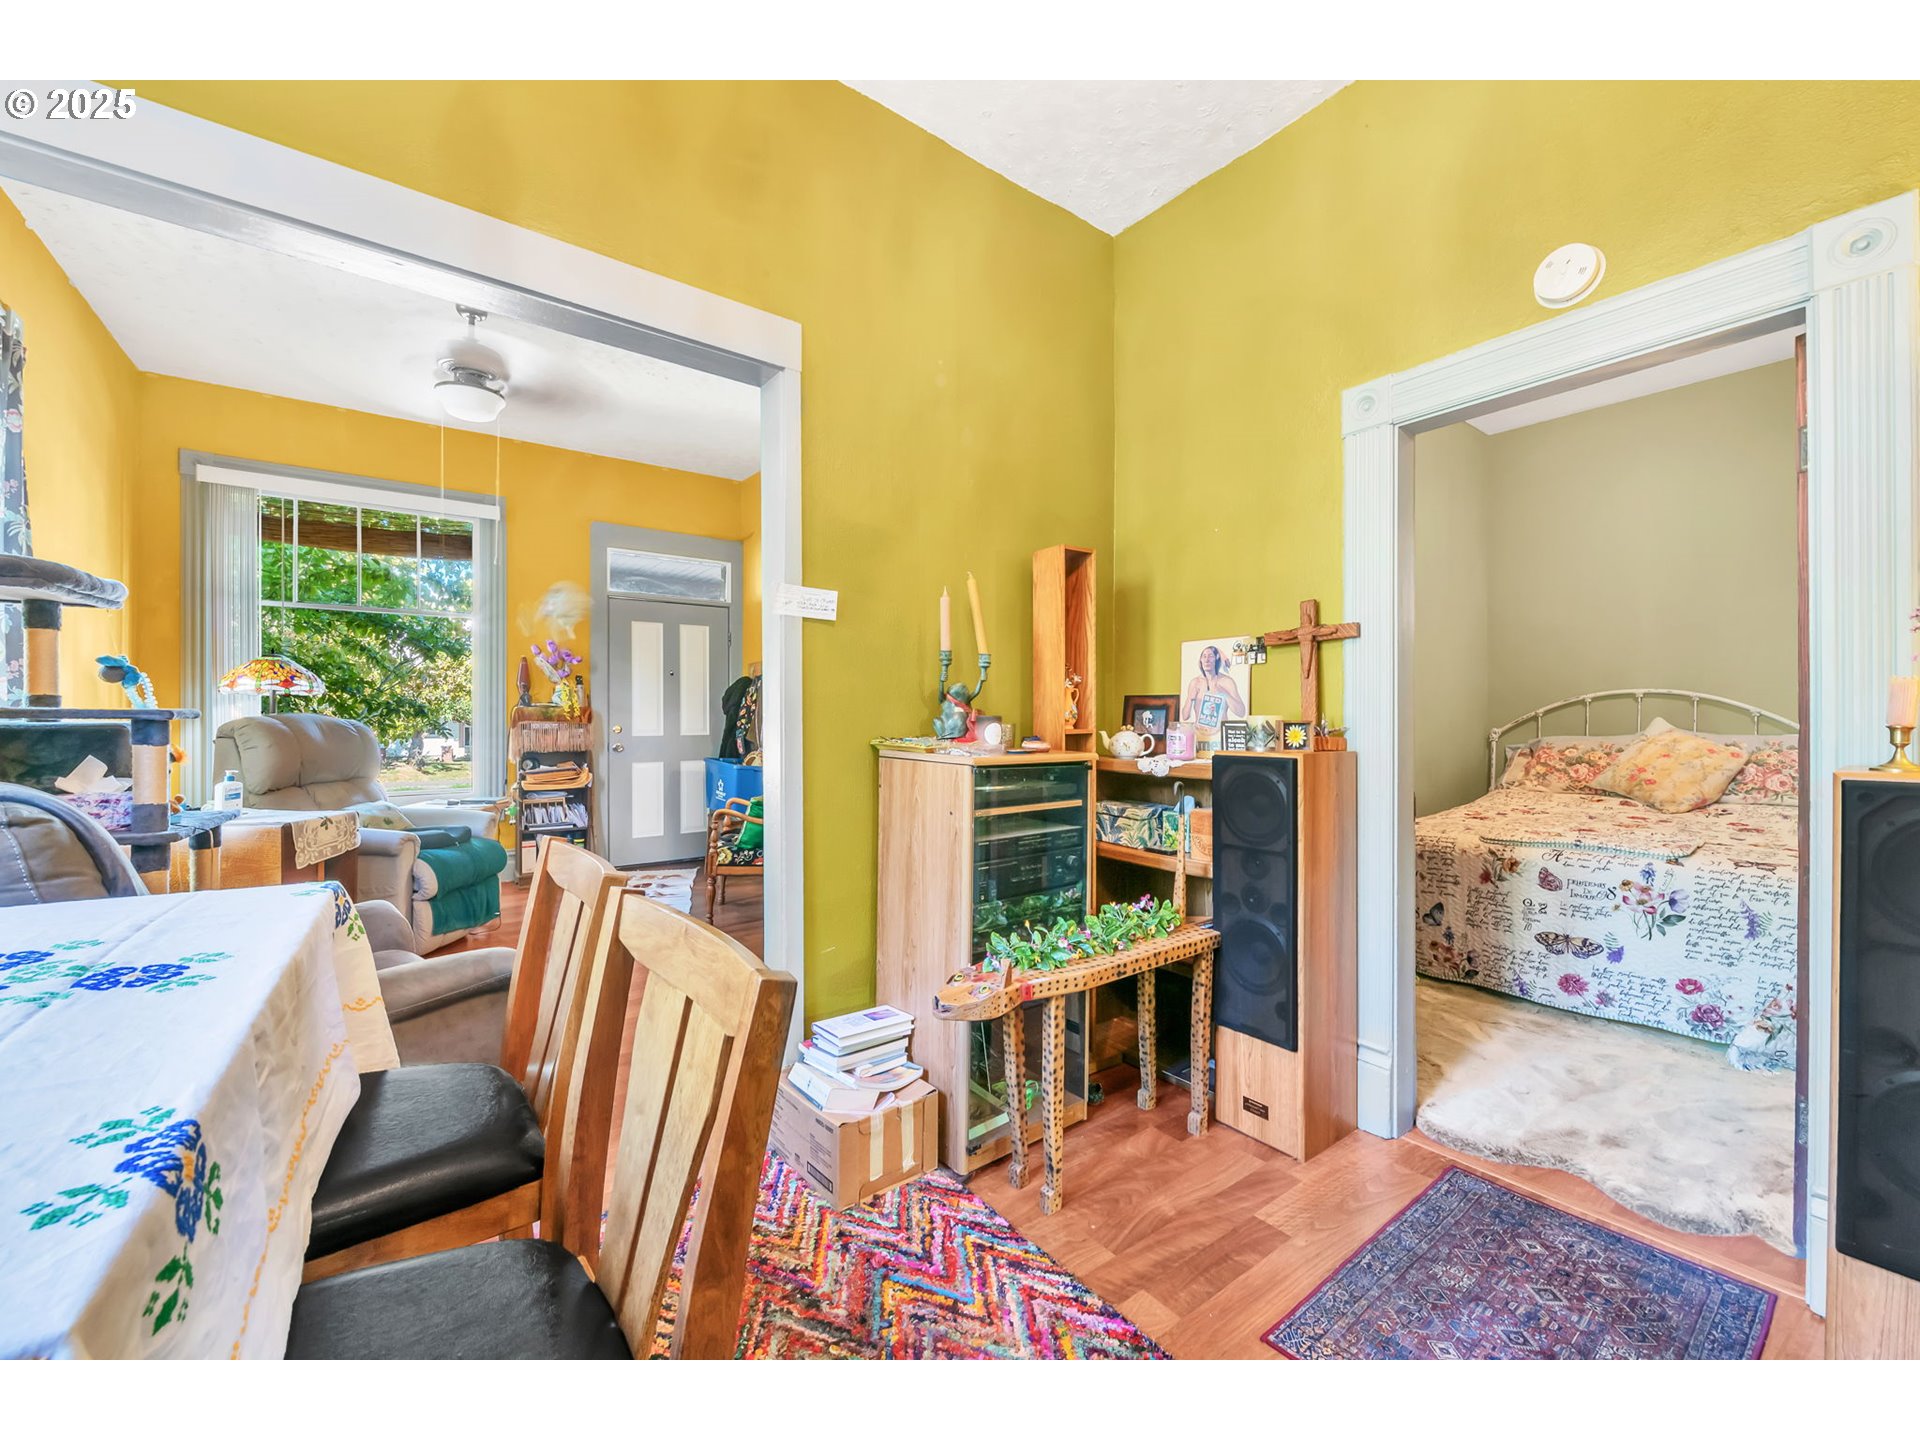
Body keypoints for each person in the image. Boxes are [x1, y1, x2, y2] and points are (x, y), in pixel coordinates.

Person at [1182, 644, 1247, 729]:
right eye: (1204, 656)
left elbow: (1241, 712)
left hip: (1219, 734)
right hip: (1200, 734)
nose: (1207, 660)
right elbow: (1185, 716)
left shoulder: (1227, 681)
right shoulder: (1195, 682)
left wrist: (1224, 693)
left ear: (1217, 659)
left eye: (1211, 656)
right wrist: (1190, 699)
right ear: (1201, 660)